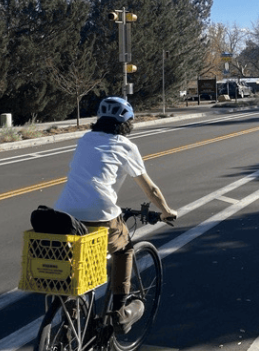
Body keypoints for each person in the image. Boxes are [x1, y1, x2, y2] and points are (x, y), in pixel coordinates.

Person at [53, 96, 177, 334]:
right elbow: (150, 189)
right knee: (124, 250)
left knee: (78, 263)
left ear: (99, 119)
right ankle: (119, 311)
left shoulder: (85, 139)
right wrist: (166, 211)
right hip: (101, 214)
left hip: (65, 213)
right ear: (127, 123)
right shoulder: (126, 146)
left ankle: (71, 321)